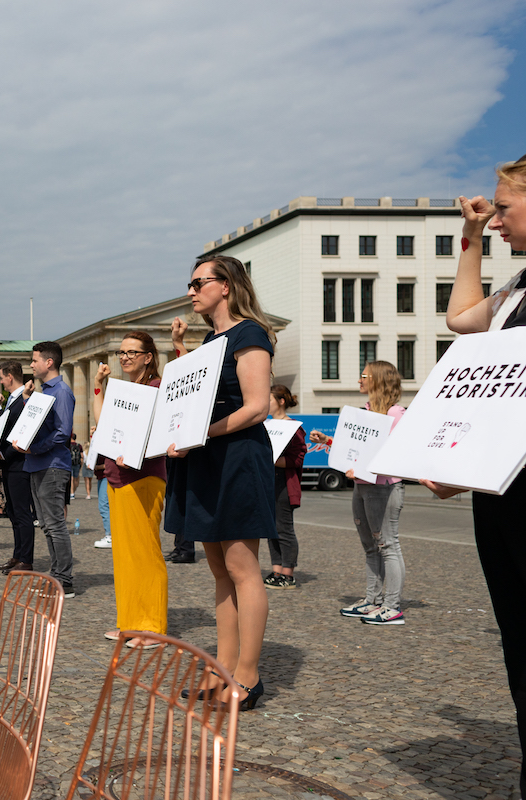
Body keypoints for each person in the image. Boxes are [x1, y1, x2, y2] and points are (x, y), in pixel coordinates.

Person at [427, 155, 526, 796]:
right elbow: (461, 319)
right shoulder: (519, 286)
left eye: (505, 208)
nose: (495, 221)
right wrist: (469, 239)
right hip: (504, 498)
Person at [166, 254, 276, 711]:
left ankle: (247, 676)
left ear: (225, 285)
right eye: (189, 284)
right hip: (207, 458)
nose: (190, 291)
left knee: (243, 569)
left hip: (236, 458)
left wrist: (199, 435)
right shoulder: (213, 339)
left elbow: (256, 406)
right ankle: (223, 667)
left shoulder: (249, 333)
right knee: (219, 571)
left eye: (198, 282)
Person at [309, 361, 407, 624]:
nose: (359, 380)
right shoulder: (366, 411)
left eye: (364, 375)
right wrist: (328, 441)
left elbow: (395, 453)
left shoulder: (396, 414)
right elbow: (355, 447)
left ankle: (392, 606)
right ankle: (371, 601)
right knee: (370, 547)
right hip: (362, 487)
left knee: (387, 545)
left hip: (383, 487)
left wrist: (363, 469)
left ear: (378, 380)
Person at [93, 332, 168, 649]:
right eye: (121, 352)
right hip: (116, 476)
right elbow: (104, 421)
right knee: (124, 556)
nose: (124, 357)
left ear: (148, 356)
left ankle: (151, 627)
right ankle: (130, 622)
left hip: (143, 476)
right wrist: (99, 384)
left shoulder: (156, 387)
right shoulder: (127, 389)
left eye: (131, 352)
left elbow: (162, 429)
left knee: (145, 553)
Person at [14, 342, 77, 597]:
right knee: (47, 525)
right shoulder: (43, 392)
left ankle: (64, 580)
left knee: (55, 524)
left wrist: (33, 448)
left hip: (51, 465)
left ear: (48, 362)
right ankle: (57, 575)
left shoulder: (60, 392)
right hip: (37, 464)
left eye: (34, 360)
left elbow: (63, 433)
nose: (31, 364)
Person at [0, 361, 35, 575]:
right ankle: (18, 555)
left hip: (19, 463)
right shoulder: (13, 400)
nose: (0, 381)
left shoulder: (23, 400)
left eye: (2, 377)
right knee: (12, 511)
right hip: (10, 463)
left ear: (10, 376)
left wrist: (3, 453)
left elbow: (22, 433)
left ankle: (26, 559)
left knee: (21, 513)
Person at [267, 385, 306, 589]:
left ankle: (288, 573)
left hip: (284, 482)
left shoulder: (293, 427)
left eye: (270, 399)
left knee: (284, 529)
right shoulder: (265, 424)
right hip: (268, 483)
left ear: (281, 401)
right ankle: (276, 570)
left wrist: (275, 461)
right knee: (270, 529)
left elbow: (299, 457)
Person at [165, 315, 197, 565]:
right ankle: (180, 546)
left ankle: (186, 548)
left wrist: (178, 342)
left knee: (184, 501)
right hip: (174, 451)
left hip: (189, 451)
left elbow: (188, 374)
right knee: (176, 501)